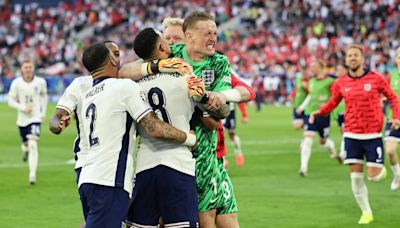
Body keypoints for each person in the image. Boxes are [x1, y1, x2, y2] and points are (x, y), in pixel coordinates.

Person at [77, 42, 197, 228]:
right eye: (115, 55)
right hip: (110, 179)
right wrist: (189, 138)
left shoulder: (88, 96)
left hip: (87, 177)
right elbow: (153, 127)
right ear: (111, 60)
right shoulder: (123, 88)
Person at [310, 44, 400, 224]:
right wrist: (318, 112)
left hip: (372, 135)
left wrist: (396, 116)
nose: (352, 58)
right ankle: (366, 212)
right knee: (356, 177)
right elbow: (333, 102)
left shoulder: (376, 79)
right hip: (351, 135)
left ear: (362, 59)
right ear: (346, 60)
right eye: (349, 55)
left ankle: (380, 173)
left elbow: (392, 97)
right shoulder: (341, 82)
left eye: (356, 55)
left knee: (373, 176)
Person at [125, 28, 204, 228]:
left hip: (145, 166)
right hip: (179, 164)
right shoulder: (185, 76)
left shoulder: (132, 85)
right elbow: (214, 114)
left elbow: (122, 72)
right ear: (162, 46)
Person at [49, 41, 120, 184]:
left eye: (117, 54)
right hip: (88, 161)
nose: (115, 59)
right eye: (111, 55)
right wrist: (57, 124)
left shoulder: (126, 83)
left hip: (118, 163)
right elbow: (57, 116)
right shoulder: (80, 84)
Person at [295, 59, 340, 177]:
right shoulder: (311, 82)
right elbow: (310, 95)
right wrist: (302, 107)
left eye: (313, 67)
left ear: (321, 68)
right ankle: (303, 167)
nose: (311, 69)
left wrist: (326, 106)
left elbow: (335, 97)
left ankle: (331, 147)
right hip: (310, 114)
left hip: (323, 115)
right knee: (308, 139)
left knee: (323, 141)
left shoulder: (330, 82)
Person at [8, 60, 48, 185]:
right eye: (25, 67)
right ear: (21, 69)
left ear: (33, 68)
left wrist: (43, 113)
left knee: (33, 144)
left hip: (35, 118)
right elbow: (10, 100)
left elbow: (44, 97)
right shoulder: (16, 83)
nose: (28, 69)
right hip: (22, 119)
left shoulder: (40, 82)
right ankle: (24, 149)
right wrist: (23, 108)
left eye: (30, 67)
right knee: (26, 144)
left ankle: (32, 174)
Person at [383, 47, 400, 191]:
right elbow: (384, 95)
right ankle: (397, 175)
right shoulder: (391, 76)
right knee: (389, 151)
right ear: (396, 59)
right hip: (393, 120)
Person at [291, 64, 310, 130]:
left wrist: (307, 87)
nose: (304, 72)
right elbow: (296, 88)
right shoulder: (298, 79)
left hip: (305, 105)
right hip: (297, 103)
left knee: (303, 126)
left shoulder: (310, 80)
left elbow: (312, 93)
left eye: (305, 70)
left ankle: (306, 124)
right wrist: (292, 95)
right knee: (297, 126)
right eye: (302, 70)